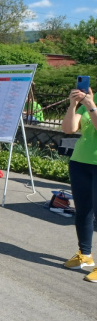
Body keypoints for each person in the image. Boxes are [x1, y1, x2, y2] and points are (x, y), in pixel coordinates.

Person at [61, 86, 97, 282]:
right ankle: (85, 254)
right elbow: (69, 129)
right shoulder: (90, 98)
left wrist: (90, 104)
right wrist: (73, 104)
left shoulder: (90, 100)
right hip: (80, 162)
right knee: (83, 211)